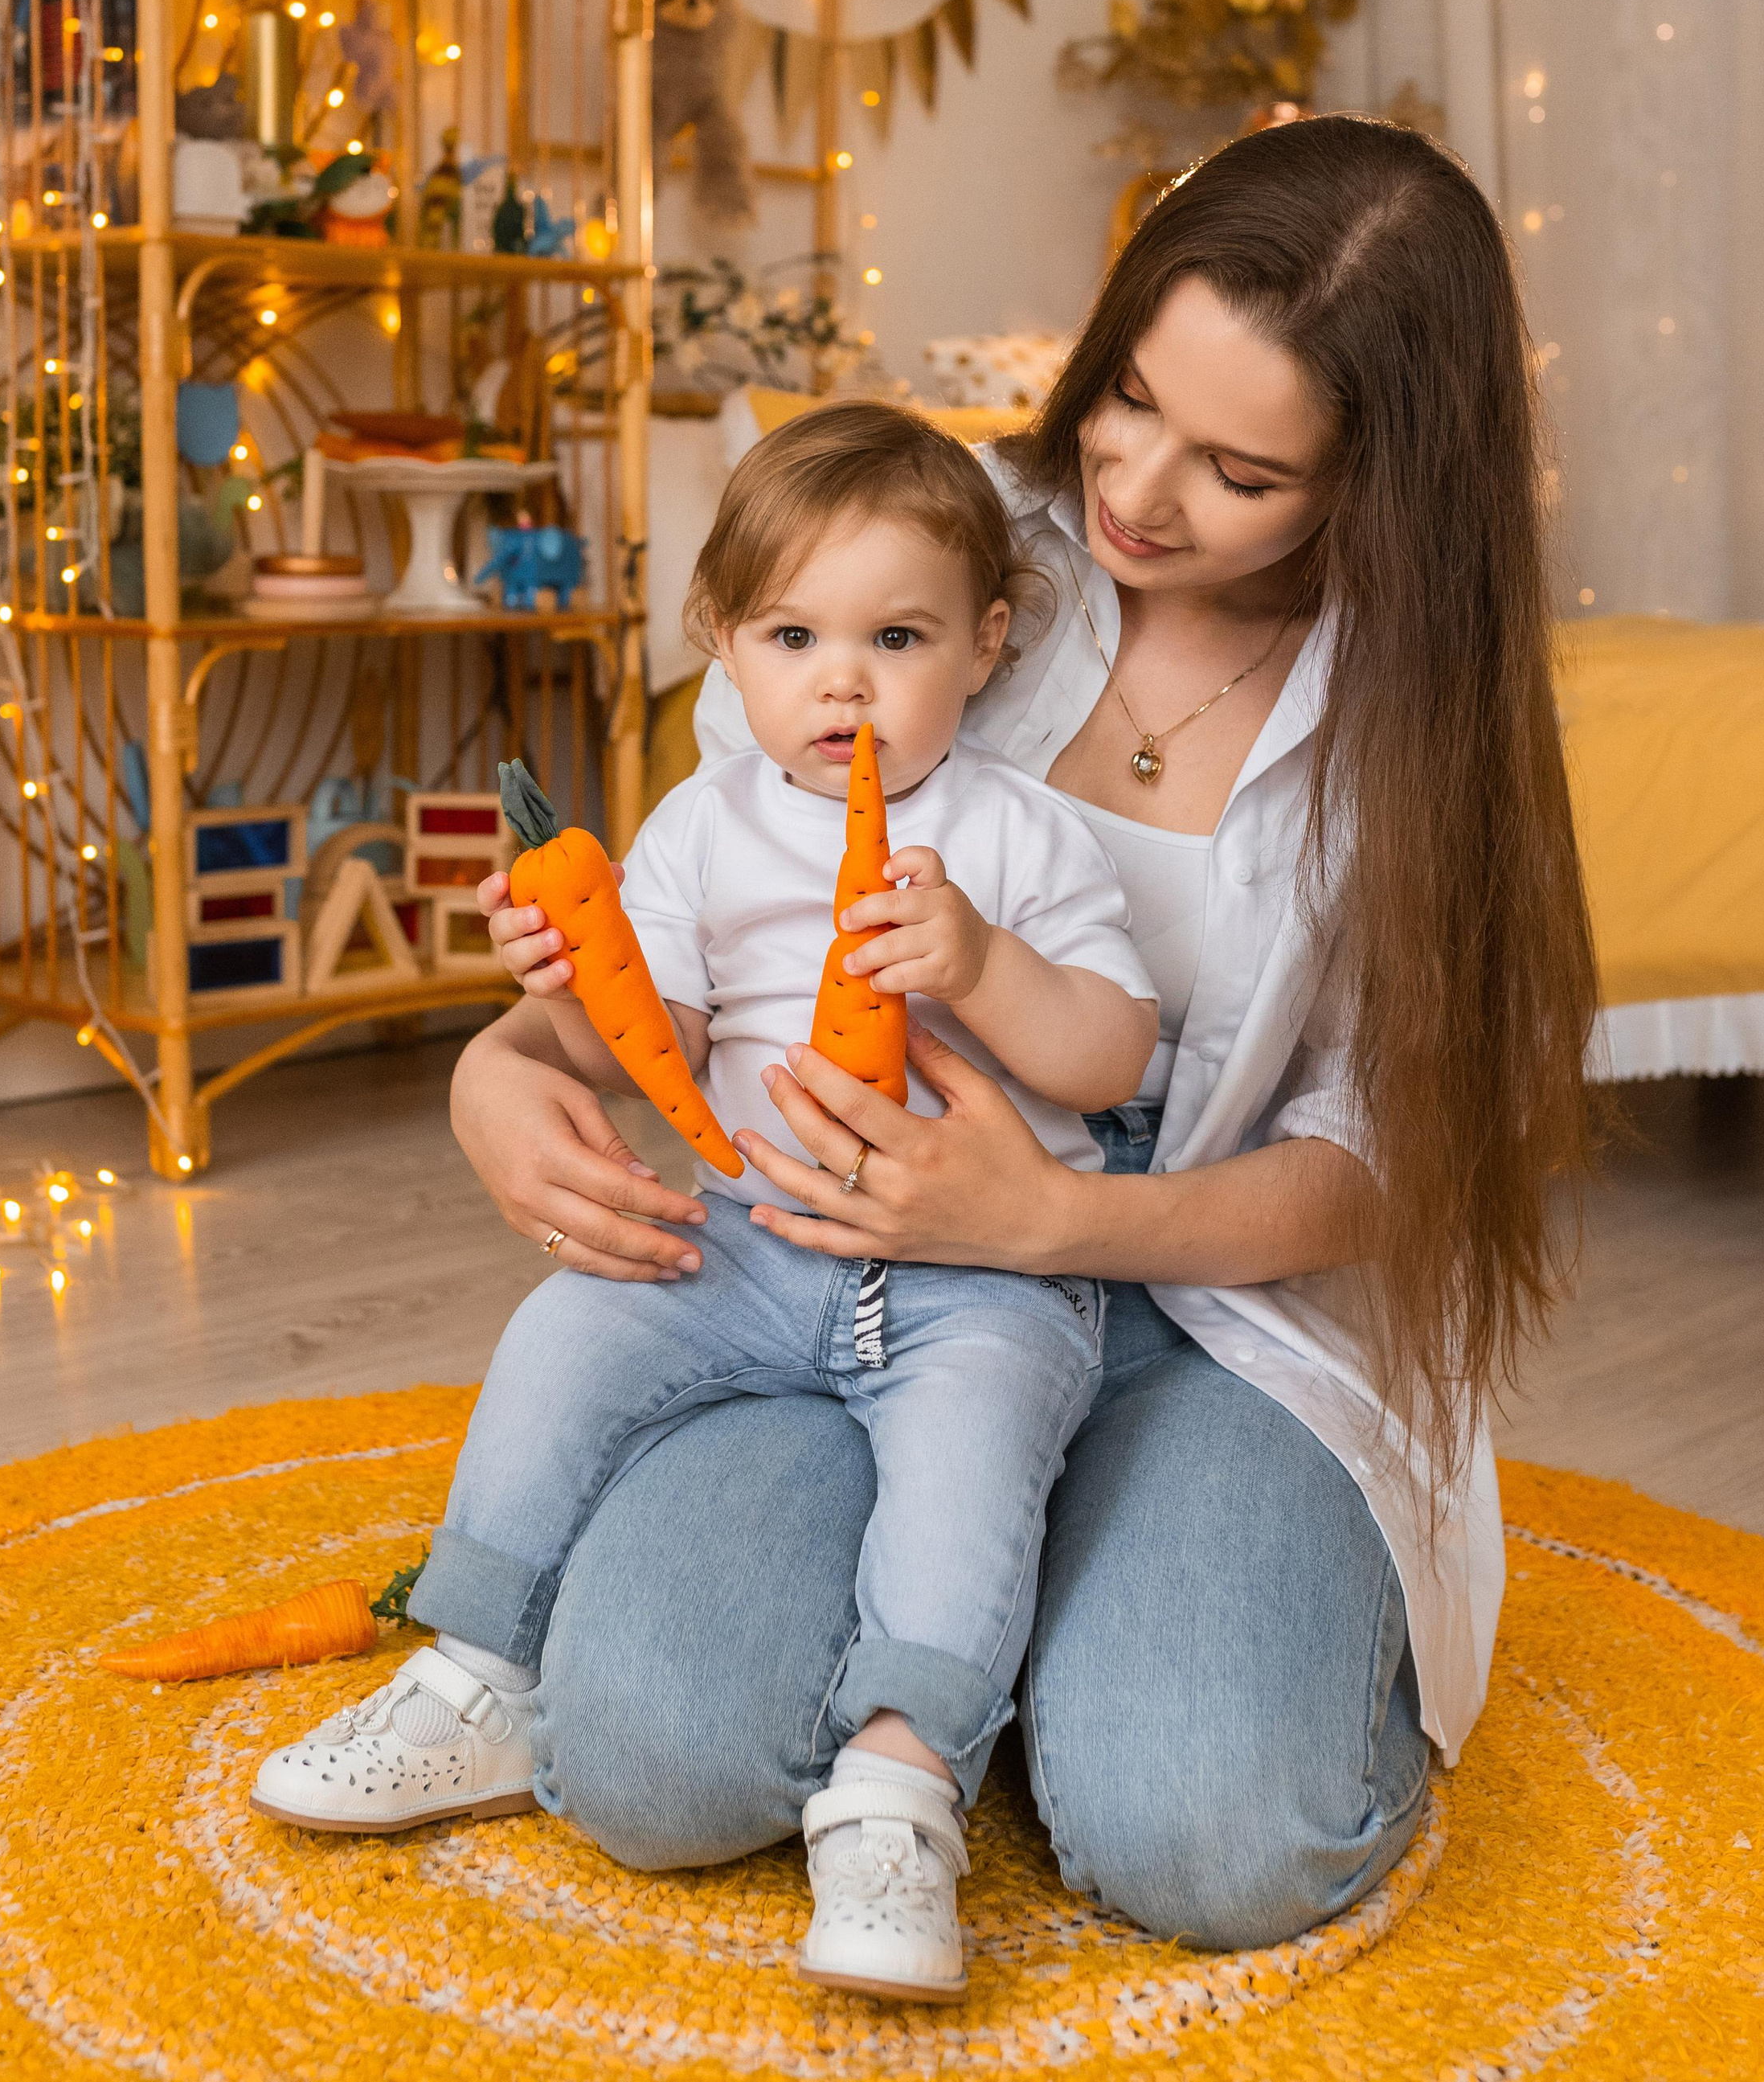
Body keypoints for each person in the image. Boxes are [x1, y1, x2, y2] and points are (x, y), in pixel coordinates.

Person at [375, 116, 1598, 1954]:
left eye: (1240, 470)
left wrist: (1047, 1224)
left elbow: (1392, 1158)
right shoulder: (946, 545)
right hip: (836, 1285)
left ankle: (1030, 1660)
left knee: (1215, 1837)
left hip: (1207, 1329)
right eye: (1124, 397)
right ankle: (989, 1647)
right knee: (642, 1758)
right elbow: (703, 915)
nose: (1137, 488)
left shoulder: (1415, 728)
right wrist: (500, 1071)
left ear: (1375, 485)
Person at [252, 404, 1160, 2001]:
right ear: (720, 648)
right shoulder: (701, 827)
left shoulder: (1015, 835)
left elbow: (1108, 1054)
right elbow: (656, 1045)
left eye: (897, 635)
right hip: (746, 1241)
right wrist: (565, 977)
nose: (843, 680)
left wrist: (982, 968)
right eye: (792, 634)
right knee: (565, 1330)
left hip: (982, 1285)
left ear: (987, 644)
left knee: (964, 1471)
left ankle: (897, 1791)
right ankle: (478, 1669)